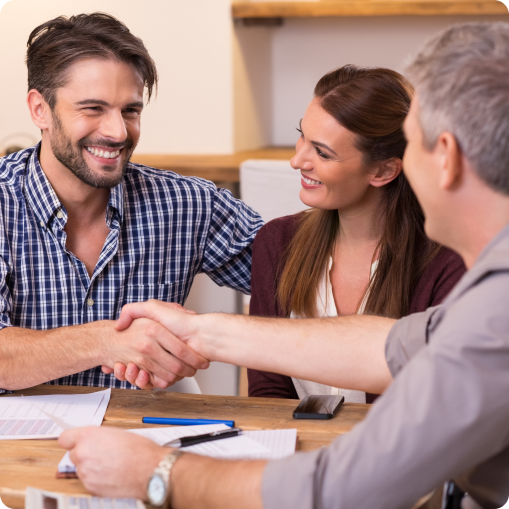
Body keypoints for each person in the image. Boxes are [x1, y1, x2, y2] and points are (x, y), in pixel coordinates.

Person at [61, 21, 509, 509]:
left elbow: (346, 488)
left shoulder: (494, 310)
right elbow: (392, 345)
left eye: (413, 141)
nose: (299, 161)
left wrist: (157, 471)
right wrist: (199, 333)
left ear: (441, 156)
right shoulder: (489, 293)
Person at [0, 13, 263, 394]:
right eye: (93, 108)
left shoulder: (188, 204)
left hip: (140, 443)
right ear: (40, 109)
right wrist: (108, 341)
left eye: (131, 110)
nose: (118, 132)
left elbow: (302, 278)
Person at [247, 65, 465, 402]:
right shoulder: (277, 243)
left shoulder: (448, 262)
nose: (297, 160)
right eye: (302, 134)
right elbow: (268, 391)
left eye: (322, 152)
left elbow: (436, 400)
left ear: (384, 170)